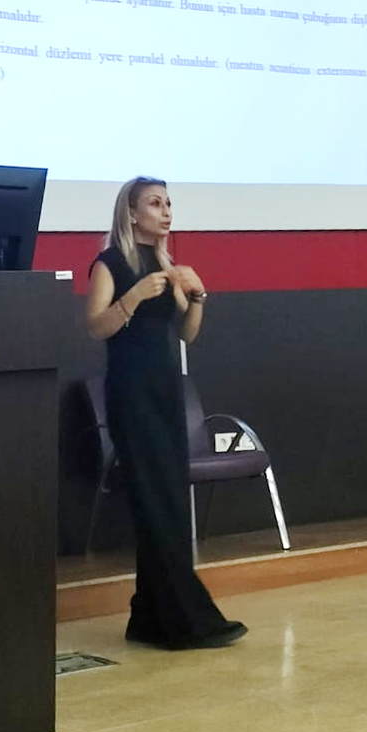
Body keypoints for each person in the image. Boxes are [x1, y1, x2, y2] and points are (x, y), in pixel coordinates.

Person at [85, 176, 247, 650]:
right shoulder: (110, 263)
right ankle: (181, 618)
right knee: (155, 506)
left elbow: (186, 334)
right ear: (132, 213)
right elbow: (95, 326)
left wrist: (197, 298)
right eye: (155, 203)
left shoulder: (165, 263)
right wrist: (133, 297)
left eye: (169, 203)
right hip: (131, 396)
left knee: (171, 504)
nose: (166, 211)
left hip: (166, 393)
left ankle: (149, 616)